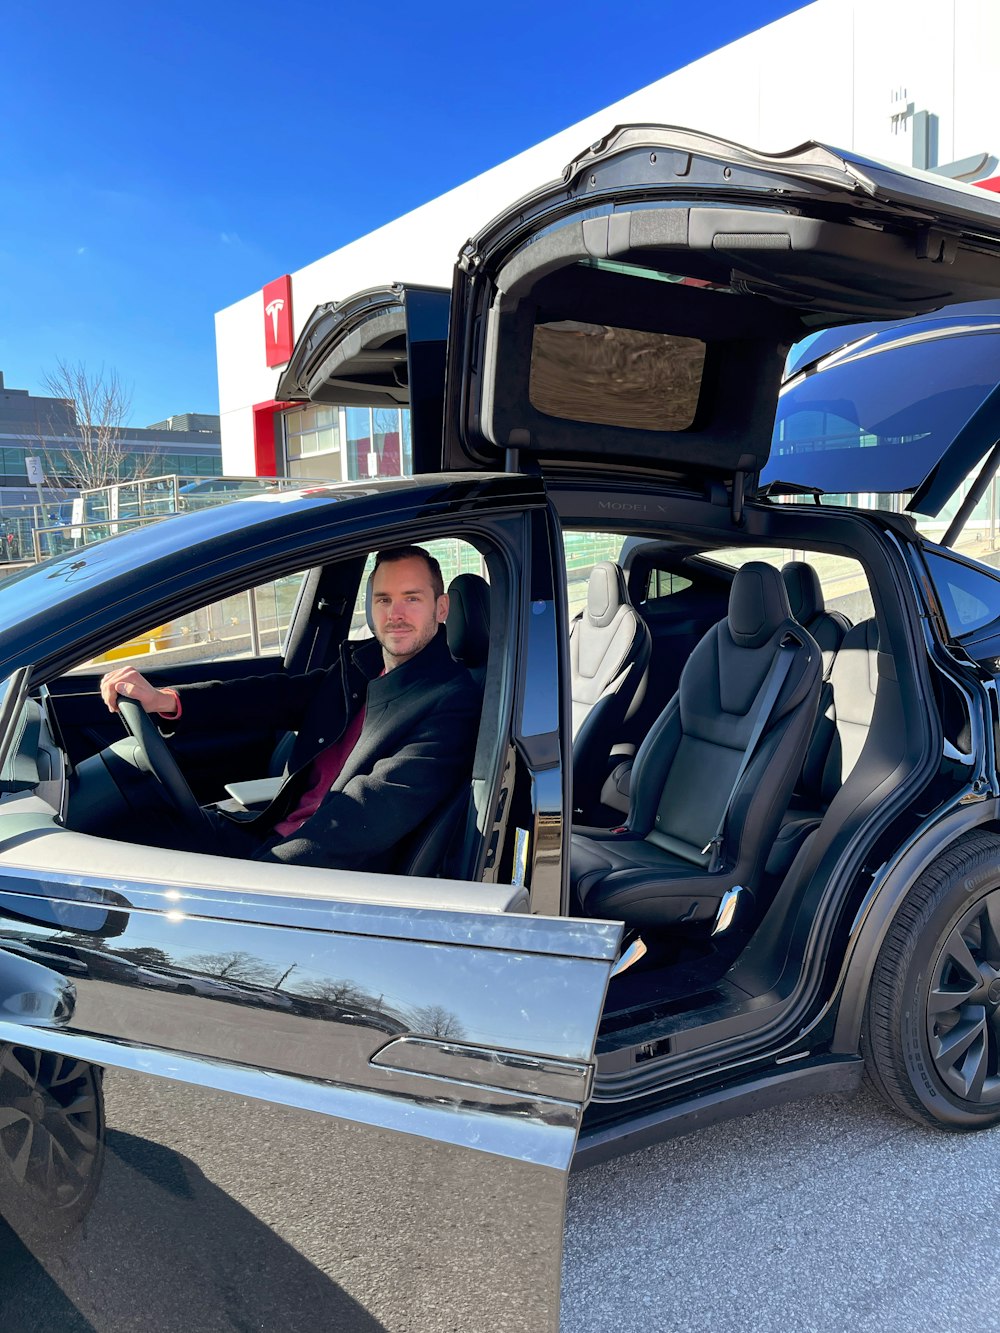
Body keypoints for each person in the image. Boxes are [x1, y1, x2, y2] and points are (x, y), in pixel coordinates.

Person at [99, 545, 482, 873]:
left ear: (442, 607)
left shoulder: (450, 700)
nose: (394, 614)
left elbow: (363, 817)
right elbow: (274, 696)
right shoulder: (363, 665)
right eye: (384, 599)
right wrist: (167, 701)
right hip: (272, 832)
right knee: (129, 833)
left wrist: (261, 875)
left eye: (412, 598)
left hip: (314, 873)